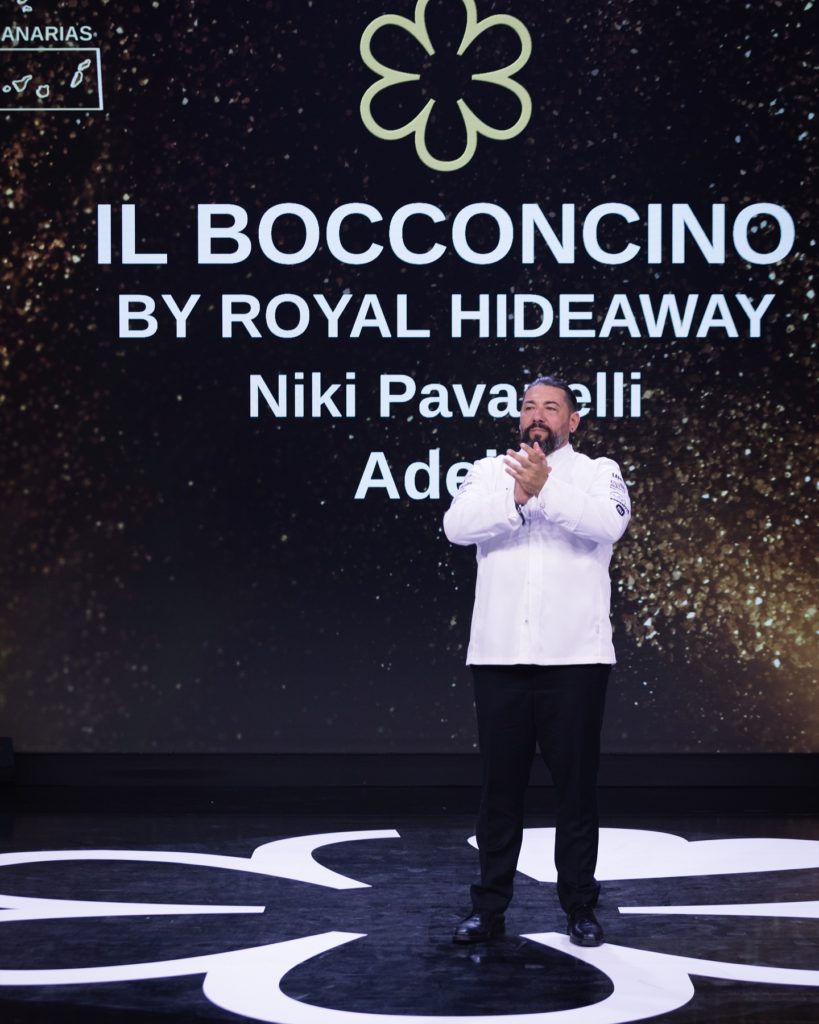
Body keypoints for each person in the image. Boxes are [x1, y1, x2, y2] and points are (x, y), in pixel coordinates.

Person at [443, 375, 631, 947]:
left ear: (572, 421)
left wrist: (545, 487)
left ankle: (580, 907)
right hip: (500, 657)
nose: (537, 415)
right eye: (529, 406)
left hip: (575, 660)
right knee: (499, 792)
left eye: (551, 407)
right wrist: (518, 497)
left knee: (575, 792)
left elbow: (610, 524)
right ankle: (489, 908)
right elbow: (456, 527)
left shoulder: (598, 472)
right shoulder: (488, 472)